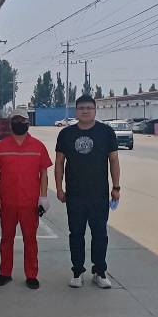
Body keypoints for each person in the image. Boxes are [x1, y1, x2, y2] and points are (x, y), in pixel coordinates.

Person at [54, 93, 120, 288]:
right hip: (75, 195)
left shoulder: (106, 132)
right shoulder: (66, 134)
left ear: (95, 110)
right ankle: (77, 272)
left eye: (89, 108)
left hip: (99, 195)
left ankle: (99, 272)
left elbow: (114, 161)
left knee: (100, 234)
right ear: (76, 111)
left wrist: (116, 187)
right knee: (76, 234)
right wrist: (59, 188)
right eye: (81, 108)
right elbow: (59, 162)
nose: (85, 111)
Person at [0, 107, 52, 290]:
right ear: (10, 123)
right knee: (6, 239)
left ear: (28, 123)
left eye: (23, 120)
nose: (20, 123)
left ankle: (31, 275)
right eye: (16, 120)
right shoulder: (1, 146)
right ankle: (5, 273)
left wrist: (43, 197)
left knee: (30, 240)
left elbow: (44, 174)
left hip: (30, 203)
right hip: (7, 202)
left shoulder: (38, 146)